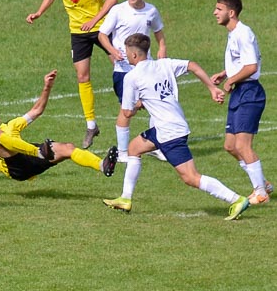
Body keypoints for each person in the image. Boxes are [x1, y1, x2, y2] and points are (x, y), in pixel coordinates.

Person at [102, 34, 251, 220]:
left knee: (191, 177)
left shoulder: (132, 77)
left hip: (169, 132)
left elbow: (126, 113)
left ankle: (236, 199)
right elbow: (193, 65)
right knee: (134, 148)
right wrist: (212, 88)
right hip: (168, 126)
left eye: (126, 52)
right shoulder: (164, 64)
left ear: (133, 55)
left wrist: (137, 106)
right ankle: (125, 198)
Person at [26, 0, 117, 149]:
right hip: (78, 32)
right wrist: (39, 12)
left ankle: (135, 99)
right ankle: (91, 125)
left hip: (101, 29)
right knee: (82, 76)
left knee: (120, 64)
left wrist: (94, 20)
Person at [0, 69, 118, 200]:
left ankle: (101, 165)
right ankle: (38, 152)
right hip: (16, 169)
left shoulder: (10, 125)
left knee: (68, 148)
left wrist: (47, 87)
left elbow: (37, 110)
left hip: (30, 158)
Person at [98, 0, 167, 162]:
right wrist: (112, 51)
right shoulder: (118, 10)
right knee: (127, 110)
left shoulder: (151, 11)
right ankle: (122, 153)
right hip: (123, 69)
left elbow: (159, 32)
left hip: (146, 67)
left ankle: (155, 144)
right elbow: (102, 35)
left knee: (156, 105)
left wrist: (162, 49)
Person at [211, 0, 272, 205]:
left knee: (243, 145)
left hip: (249, 92)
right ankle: (263, 183)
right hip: (240, 90)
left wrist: (230, 81)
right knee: (230, 146)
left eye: (219, 9)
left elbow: (251, 67)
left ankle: (260, 192)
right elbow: (242, 62)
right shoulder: (233, 34)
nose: (215, 13)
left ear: (231, 12)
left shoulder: (243, 33)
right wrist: (225, 73)